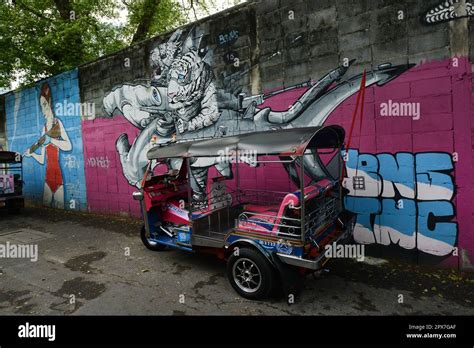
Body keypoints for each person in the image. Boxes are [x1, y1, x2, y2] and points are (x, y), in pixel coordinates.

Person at [24, 83, 72, 209]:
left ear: (50, 102)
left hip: (59, 177)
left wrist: (52, 140)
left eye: (45, 104)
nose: (43, 109)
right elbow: (42, 159)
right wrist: (32, 154)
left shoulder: (57, 123)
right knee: (46, 210)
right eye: (41, 106)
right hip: (47, 178)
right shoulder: (43, 129)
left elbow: (68, 146)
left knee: (61, 210)